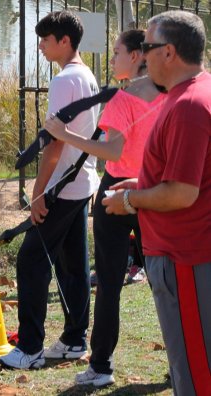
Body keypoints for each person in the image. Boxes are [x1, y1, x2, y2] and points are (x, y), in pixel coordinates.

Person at [44, 29, 165, 386]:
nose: (111, 59)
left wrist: (63, 134)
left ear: (137, 56)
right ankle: (184, 360)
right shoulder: (172, 94)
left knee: (109, 282)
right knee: (166, 282)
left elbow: (112, 152)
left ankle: (100, 367)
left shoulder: (125, 99)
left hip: (119, 192)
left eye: (116, 53)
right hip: (157, 189)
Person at [103, 10, 210, 396]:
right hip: (187, 256)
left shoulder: (188, 106)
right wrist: (144, 183)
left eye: (146, 48)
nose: (142, 57)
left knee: (195, 375)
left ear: (168, 52)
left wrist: (130, 200)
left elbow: (182, 192)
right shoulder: (196, 92)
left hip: (186, 259)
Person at [0, 10, 100, 370]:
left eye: (45, 40)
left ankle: (30, 348)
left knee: (31, 261)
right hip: (83, 182)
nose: (41, 46)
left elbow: (55, 144)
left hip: (62, 187)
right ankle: (74, 339)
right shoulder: (86, 74)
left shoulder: (63, 81)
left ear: (64, 42)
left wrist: (38, 193)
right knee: (73, 262)